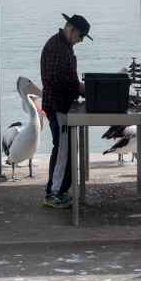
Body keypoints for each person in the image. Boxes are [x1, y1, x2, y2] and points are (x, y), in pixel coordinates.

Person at [40, 13, 91, 209]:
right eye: (81, 36)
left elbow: (62, 77)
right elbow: (55, 80)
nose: (81, 41)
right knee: (63, 150)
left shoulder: (62, 45)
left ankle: (59, 190)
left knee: (65, 149)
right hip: (58, 106)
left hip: (61, 106)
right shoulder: (56, 48)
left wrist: (78, 87)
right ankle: (53, 193)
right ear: (72, 30)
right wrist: (79, 88)